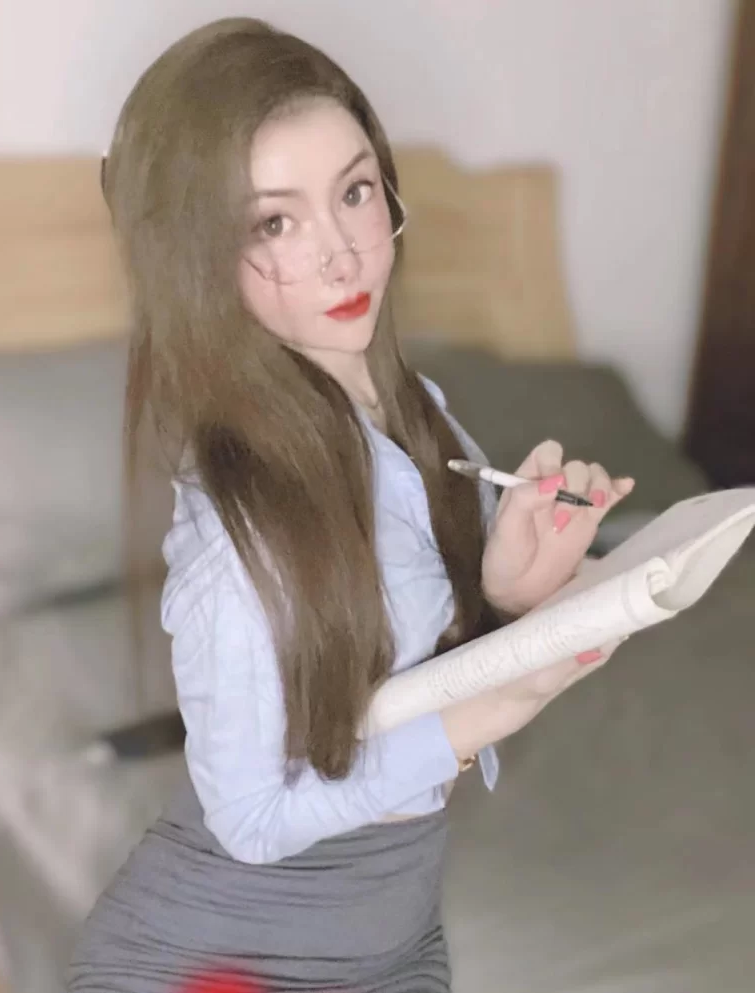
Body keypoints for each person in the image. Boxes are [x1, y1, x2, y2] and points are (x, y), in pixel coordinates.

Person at [67, 17, 633, 993]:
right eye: (273, 223)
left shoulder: (418, 415)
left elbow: (412, 661)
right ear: (199, 256)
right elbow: (250, 817)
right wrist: (489, 711)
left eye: (354, 192)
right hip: (220, 957)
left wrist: (508, 590)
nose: (339, 256)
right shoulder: (237, 538)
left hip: (394, 934)